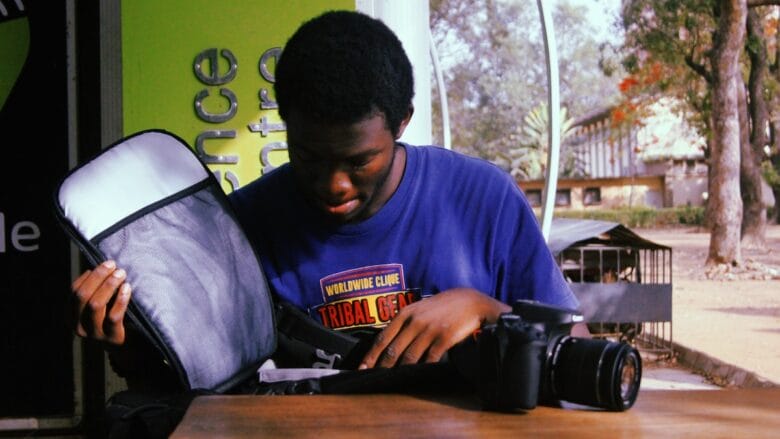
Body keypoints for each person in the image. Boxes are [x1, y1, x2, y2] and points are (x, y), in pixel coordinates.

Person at [71, 10, 583, 387]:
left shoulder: (482, 198)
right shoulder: (242, 227)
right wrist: (128, 342)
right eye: (310, 157)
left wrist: (487, 311)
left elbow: (579, 354)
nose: (334, 184)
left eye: (360, 162)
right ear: (285, 121)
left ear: (401, 122)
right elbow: (196, 389)